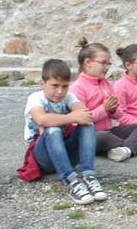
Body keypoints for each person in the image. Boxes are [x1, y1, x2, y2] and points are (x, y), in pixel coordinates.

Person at [20, 59, 108, 205]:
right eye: (54, 86)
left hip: (66, 153)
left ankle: (88, 175)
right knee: (52, 129)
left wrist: (72, 116)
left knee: (87, 125)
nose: (60, 91)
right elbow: (41, 119)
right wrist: (72, 117)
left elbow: (84, 115)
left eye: (65, 86)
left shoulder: (68, 97)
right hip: (44, 156)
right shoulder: (35, 98)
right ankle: (71, 180)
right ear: (42, 84)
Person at [70, 38, 137, 161]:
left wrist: (113, 110)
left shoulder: (105, 84)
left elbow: (118, 115)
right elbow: (79, 121)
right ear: (88, 62)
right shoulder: (78, 88)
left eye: (108, 64)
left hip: (109, 130)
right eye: (103, 63)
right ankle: (133, 146)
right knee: (103, 137)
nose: (107, 67)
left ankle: (125, 149)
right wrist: (104, 109)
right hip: (90, 135)